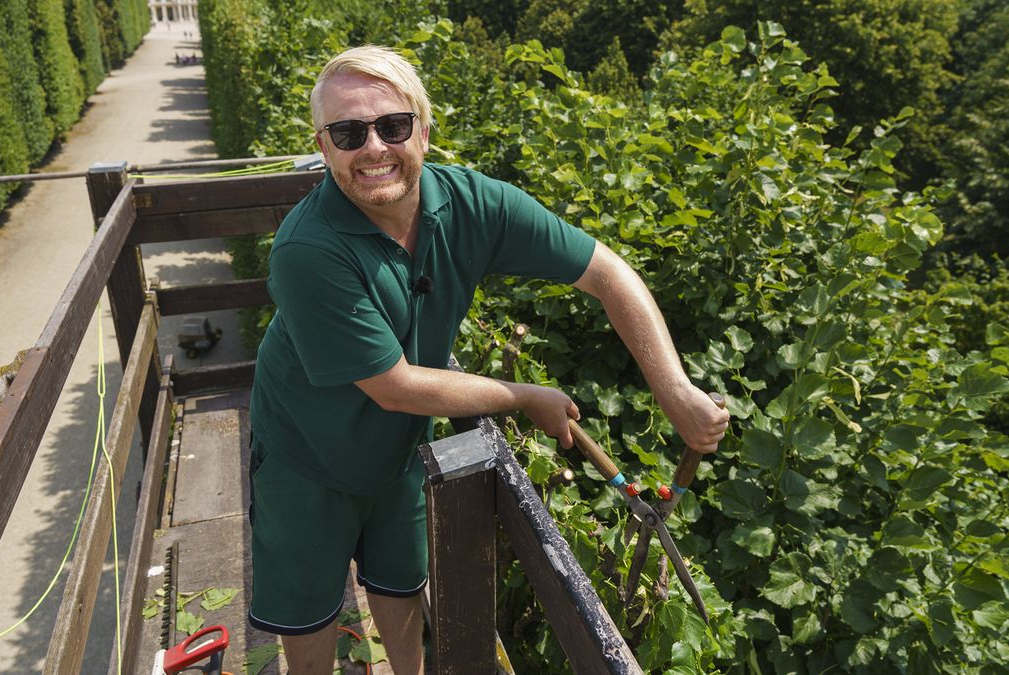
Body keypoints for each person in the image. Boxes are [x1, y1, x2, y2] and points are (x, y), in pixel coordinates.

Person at [247, 45, 730, 674]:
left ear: (424, 128)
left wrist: (677, 393)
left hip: (395, 452)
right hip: (305, 459)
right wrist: (524, 395)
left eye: (392, 125)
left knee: (398, 585)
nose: (373, 149)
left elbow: (607, 273)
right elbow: (393, 386)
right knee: (308, 621)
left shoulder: (472, 204)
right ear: (323, 144)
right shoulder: (307, 250)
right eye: (347, 132)